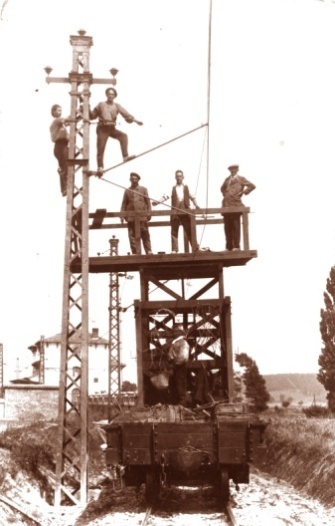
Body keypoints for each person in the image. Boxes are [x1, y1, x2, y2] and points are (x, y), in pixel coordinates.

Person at [89, 87, 143, 174]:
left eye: (112, 94)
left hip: (111, 128)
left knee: (123, 136)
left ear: (115, 96)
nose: (111, 96)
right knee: (101, 148)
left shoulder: (116, 106)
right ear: (106, 95)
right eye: (109, 94)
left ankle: (125, 156)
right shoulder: (101, 104)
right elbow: (92, 116)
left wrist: (136, 121)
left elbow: (126, 114)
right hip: (102, 128)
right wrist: (87, 107)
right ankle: (100, 167)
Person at [153, 170, 200, 253]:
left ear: (183, 177)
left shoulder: (186, 188)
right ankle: (174, 249)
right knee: (174, 230)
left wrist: (197, 205)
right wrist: (157, 202)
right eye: (177, 176)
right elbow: (165, 197)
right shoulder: (172, 188)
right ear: (175, 177)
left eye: (180, 176)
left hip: (185, 211)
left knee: (189, 229)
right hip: (175, 211)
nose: (179, 178)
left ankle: (195, 248)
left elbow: (192, 197)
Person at [220, 164, 256, 251]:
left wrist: (243, 192)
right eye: (231, 169)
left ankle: (236, 246)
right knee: (227, 227)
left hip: (236, 205)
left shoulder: (241, 179)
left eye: (235, 169)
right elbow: (222, 189)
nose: (233, 171)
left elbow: (252, 186)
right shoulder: (227, 179)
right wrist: (226, 195)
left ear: (237, 170)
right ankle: (228, 247)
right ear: (230, 170)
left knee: (236, 226)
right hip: (226, 205)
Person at [120, 172, 153, 255]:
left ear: (138, 179)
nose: (134, 180)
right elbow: (124, 203)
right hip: (131, 217)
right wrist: (122, 215)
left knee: (145, 233)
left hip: (142, 217)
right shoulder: (127, 191)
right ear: (130, 180)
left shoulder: (143, 189)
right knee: (132, 235)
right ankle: (135, 252)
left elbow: (148, 202)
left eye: (135, 179)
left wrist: (149, 213)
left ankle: (148, 250)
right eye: (132, 179)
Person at [50, 104, 69, 196]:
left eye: (61, 111)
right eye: (58, 110)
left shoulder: (61, 125)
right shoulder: (56, 121)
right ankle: (64, 188)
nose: (60, 112)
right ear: (53, 112)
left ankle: (65, 188)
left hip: (63, 146)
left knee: (65, 167)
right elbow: (67, 120)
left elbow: (67, 122)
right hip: (60, 146)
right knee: (64, 167)